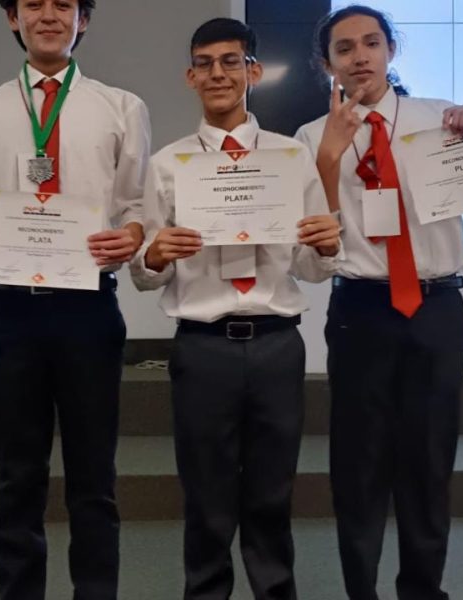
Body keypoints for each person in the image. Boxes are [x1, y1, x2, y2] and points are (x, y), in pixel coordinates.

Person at [0, 1, 151, 598]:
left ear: (84, 18)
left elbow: (137, 207)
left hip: (88, 309)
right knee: (16, 479)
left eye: (64, 4)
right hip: (12, 311)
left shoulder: (123, 108)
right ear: (13, 18)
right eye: (34, 3)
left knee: (94, 480)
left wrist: (134, 234)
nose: (49, 15)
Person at [132, 18, 341, 600]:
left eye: (231, 61)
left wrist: (327, 246)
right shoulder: (167, 164)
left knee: (273, 492)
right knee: (206, 495)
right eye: (205, 64)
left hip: (276, 343)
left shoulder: (290, 157)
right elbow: (146, 275)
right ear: (190, 76)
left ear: (253, 72)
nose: (217, 74)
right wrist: (155, 254)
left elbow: (309, 266)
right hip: (203, 348)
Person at [294, 5, 463, 600]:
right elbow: (309, 252)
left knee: (429, 461)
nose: (360, 57)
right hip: (361, 310)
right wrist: (329, 158)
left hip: (436, 309)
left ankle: (423, 591)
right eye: (345, 48)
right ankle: (361, 591)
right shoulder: (309, 138)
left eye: (371, 43)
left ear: (390, 51)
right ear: (325, 64)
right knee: (358, 465)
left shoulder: (441, 119)